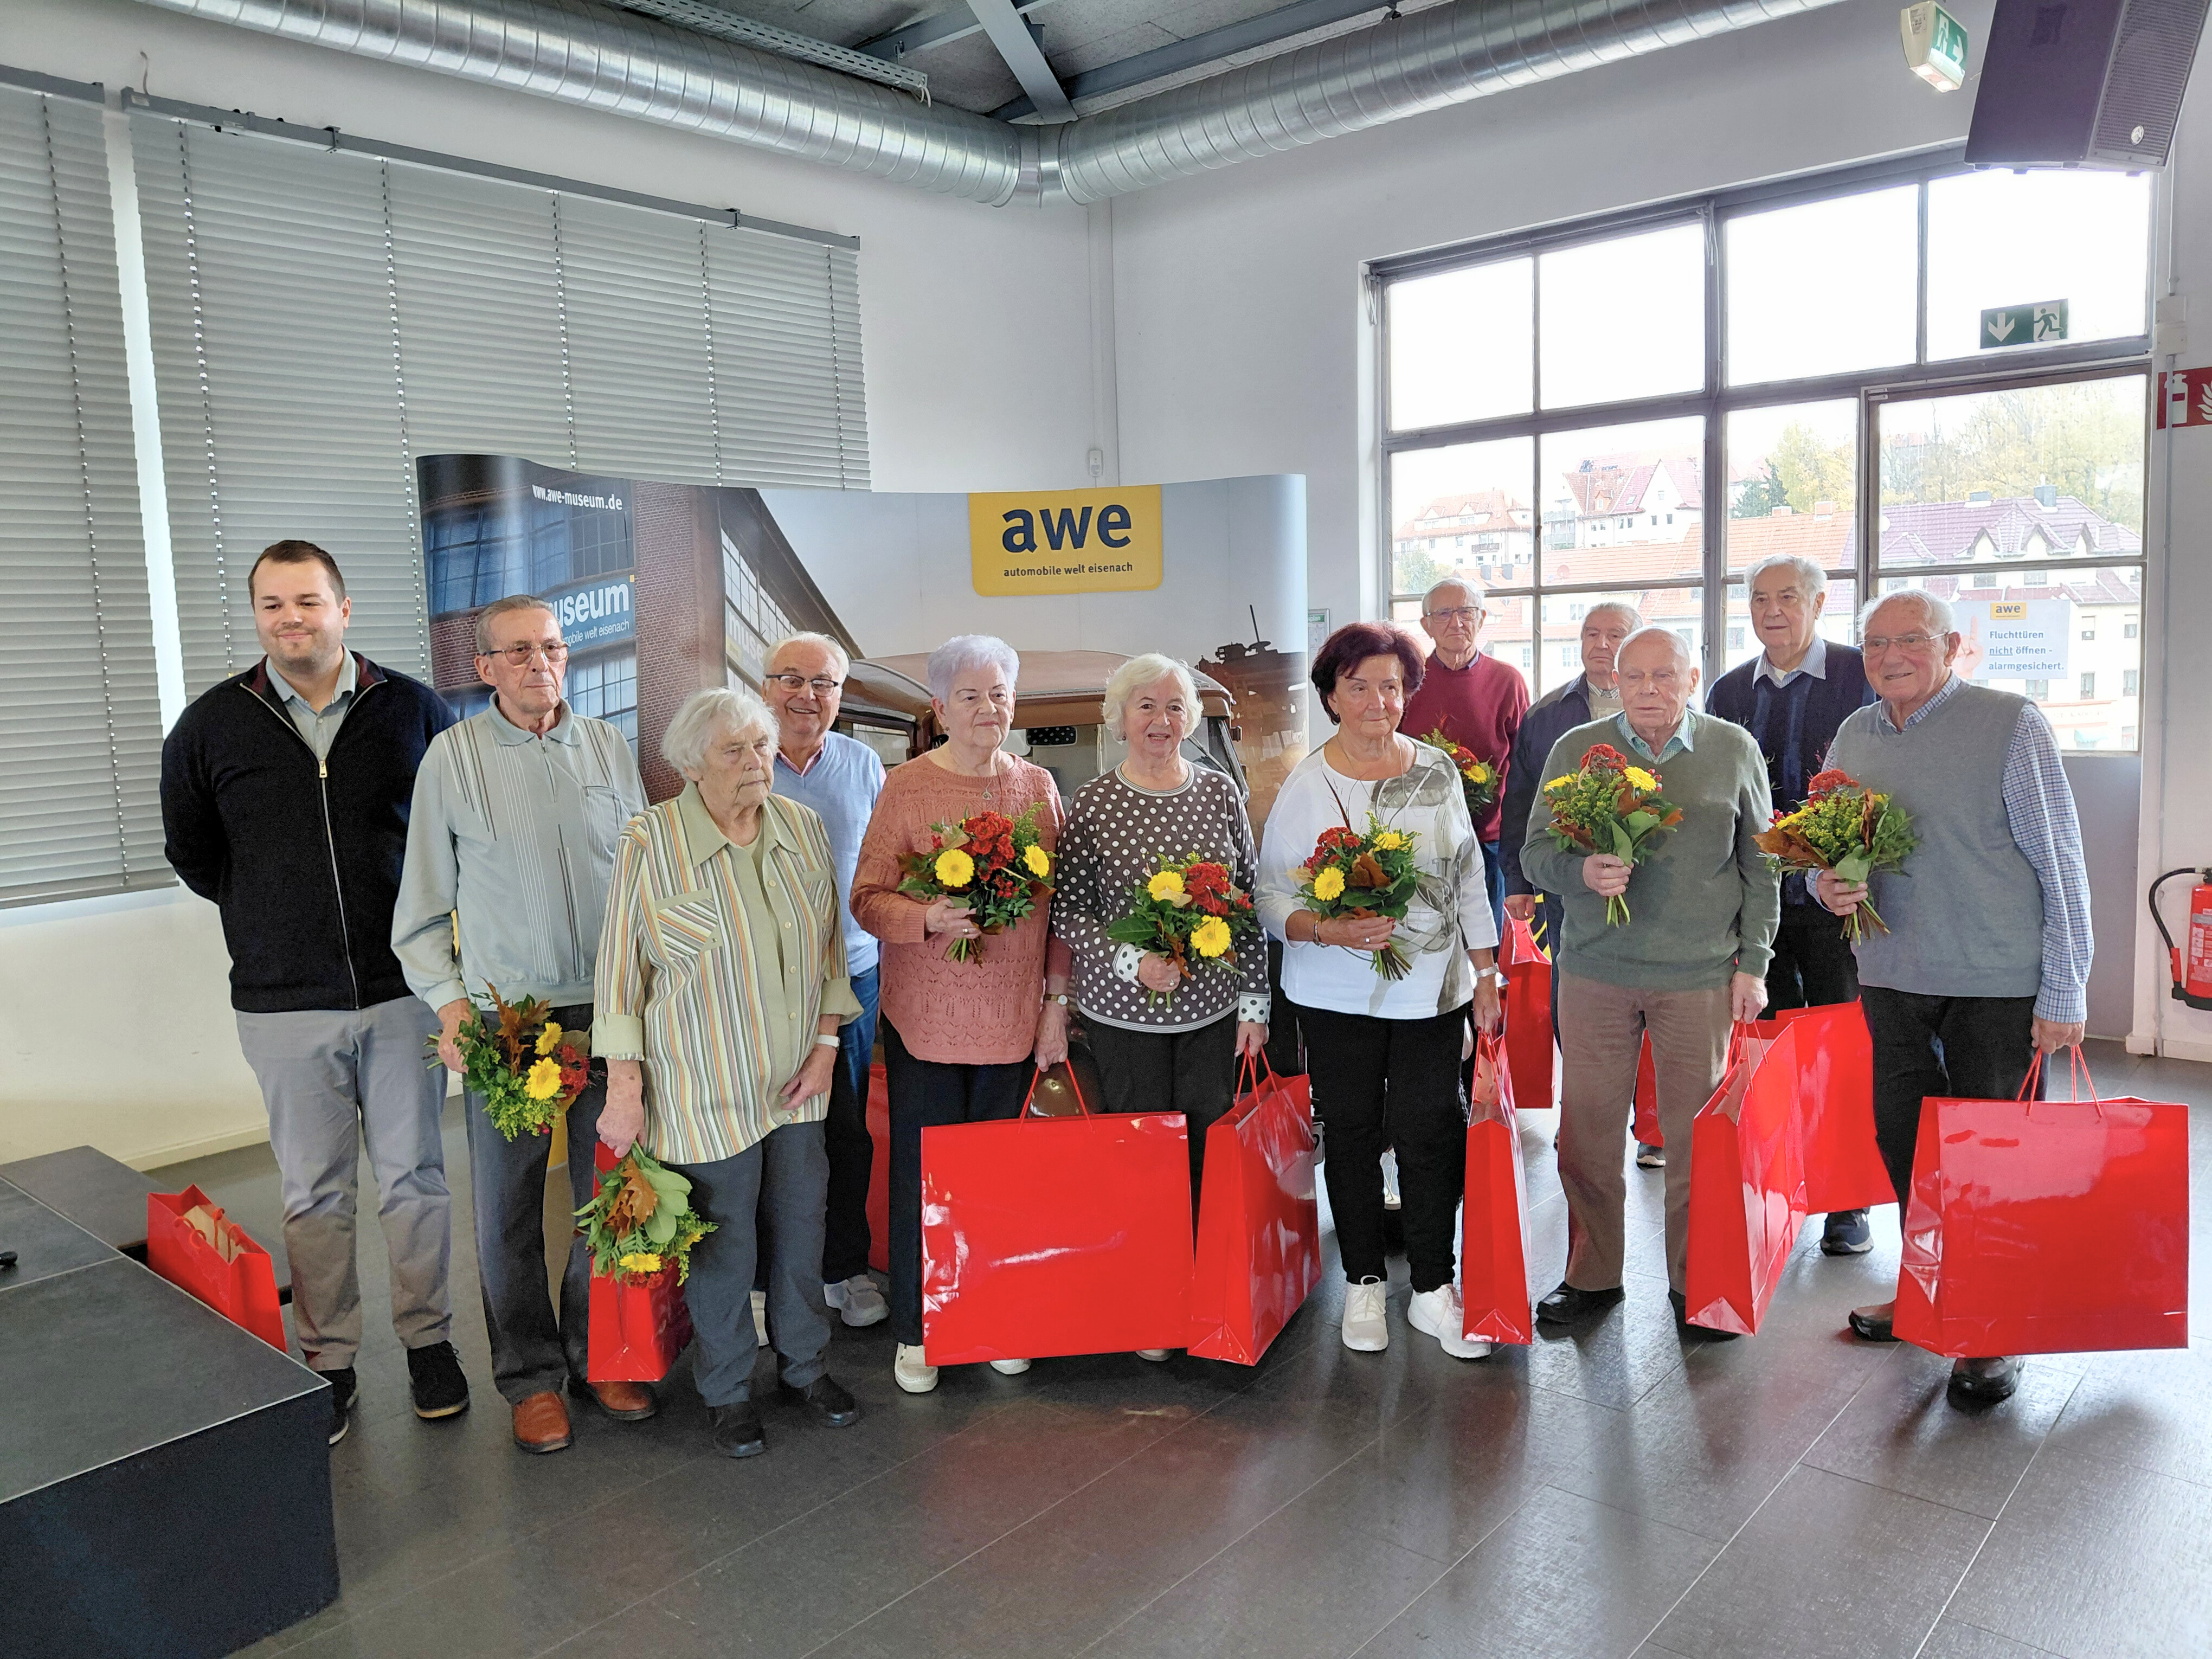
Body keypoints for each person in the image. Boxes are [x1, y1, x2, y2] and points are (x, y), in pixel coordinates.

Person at [160, 539, 465, 1447]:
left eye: (308, 601)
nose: (291, 619)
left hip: (406, 991)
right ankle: (330, 1360)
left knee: (416, 1180)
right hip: (283, 1003)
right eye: (272, 605)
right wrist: (271, 914)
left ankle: (430, 1343)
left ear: (343, 607)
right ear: (257, 616)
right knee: (313, 1194)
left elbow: (456, 834)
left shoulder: (413, 709)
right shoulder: (211, 727)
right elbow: (196, 855)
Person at [1818, 588, 2091, 1408]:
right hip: (1891, 977)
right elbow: (1832, 847)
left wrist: (2066, 985)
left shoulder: (2010, 723)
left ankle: (1992, 1327)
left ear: (1951, 646)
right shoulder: (1854, 734)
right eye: (1874, 644)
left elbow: (2060, 860)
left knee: (1992, 1162)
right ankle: (1929, 1289)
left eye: (1910, 640)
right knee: (1906, 1145)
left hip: (1995, 983)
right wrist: (1826, 883)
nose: (1890, 657)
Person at [393, 593, 649, 1454]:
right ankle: (530, 1378)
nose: (541, 664)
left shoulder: (608, 747)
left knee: (609, 1193)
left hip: (611, 1011)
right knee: (507, 1207)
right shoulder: (452, 759)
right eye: (519, 651)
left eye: (552, 647)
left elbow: (643, 883)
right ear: (485, 668)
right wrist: (453, 1009)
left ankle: (598, 1353)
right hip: (510, 1022)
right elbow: (420, 912)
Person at [593, 687, 862, 1458]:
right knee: (723, 1246)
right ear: (691, 766)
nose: (755, 762)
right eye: (734, 750)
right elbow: (620, 976)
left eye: (762, 745)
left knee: (803, 1229)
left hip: (799, 1084)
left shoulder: (802, 828)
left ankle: (806, 1366)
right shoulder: (650, 840)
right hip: (702, 1086)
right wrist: (625, 1091)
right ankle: (727, 1388)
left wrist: (826, 1046)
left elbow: (829, 952)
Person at [1519, 626, 1778, 1340]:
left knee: (1697, 1144)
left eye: (1665, 676)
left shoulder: (1733, 749)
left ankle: (1696, 1282)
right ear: (1615, 681)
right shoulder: (1579, 750)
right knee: (1586, 1135)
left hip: (1700, 976)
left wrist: (1754, 964)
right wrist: (1581, 872)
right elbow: (1535, 854)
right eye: (1633, 676)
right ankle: (1591, 1275)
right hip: (1595, 972)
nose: (1648, 690)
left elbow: (1762, 867)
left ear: (1692, 679)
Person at [1257, 622, 1503, 1361]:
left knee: (1432, 1129)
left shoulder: (1436, 771)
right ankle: (1363, 1281)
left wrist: (1486, 973)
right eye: (1358, 686)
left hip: (1433, 989)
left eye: (1391, 686)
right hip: (1335, 994)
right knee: (1354, 1133)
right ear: (1332, 696)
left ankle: (1433, 1286)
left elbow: (1467, 878)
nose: (1377, 701)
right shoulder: (1307, 785)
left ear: (1408, 694)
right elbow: (1269, 898)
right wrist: (1325, 930)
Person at [850, 635, 1066, 1396]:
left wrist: (1056, 1006)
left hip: (1013, 1020)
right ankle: (919, 1328)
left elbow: (1061, 911)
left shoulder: (1037, 786)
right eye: (970, 696)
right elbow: (867, 899)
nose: (987, 708)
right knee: (924, 1179)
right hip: (927, 1025)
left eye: (999, 693)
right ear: (940, 709)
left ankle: (995, 1315)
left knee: (1001, 1181)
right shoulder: (906, 787)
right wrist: (929, 917)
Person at [1050, 653, 1269, 1243]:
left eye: (1175, 707)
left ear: (1190, 719)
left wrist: (1254, 1007)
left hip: (1212, 1015)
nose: (1161, 720)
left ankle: (1202, 1270)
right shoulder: (1093, 803)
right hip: (1123, 1019)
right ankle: (1150, 1272)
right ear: (1120, 718)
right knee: (1138, 1151)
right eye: (1146, 706)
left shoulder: (1220, 793)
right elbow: (1069, 911)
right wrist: (1132, 962)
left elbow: (1246, 901)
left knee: (1206, 1148)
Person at [1704, 555, 1879, 1256]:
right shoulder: (1727, 690)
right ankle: (1774, 1181)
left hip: (1834, 900)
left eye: (1787, 597)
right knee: (1766, 1043)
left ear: (1819, 602)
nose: (1771, 611)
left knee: (1838, 1045)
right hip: (1756, 901)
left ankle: (1845, 1201)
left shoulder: (1860, 676)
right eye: (1759, 598)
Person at [1499, 604, 1657, 1160]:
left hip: (1651, 884)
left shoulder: (1663, 707)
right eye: (1592, 633)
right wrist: (1518, 879)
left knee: (1651, 998)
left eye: (1615, 635)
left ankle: (1651, 1123)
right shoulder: (1548, 714)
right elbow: (1520, 802)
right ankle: (1588, 1114)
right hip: (1570, 886)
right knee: (1575, 999)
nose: (1601, 644)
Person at [764, 632, 889, 1329]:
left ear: (841, 695)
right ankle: (762, 1284)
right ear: (765, 687)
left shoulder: (864, 764)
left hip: (855, 976)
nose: (807, 696)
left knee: (846, 1128)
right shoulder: (741, 757)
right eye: (792, 679)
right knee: (765, 1128)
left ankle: (845, 1268)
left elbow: (888, 868)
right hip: (762, 983)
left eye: (824, 683)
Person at [1400, 577, 1530, 938]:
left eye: (1466, 612)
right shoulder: (1407, 684)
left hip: (1490, 838)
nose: (1456, 623)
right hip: (1421, 837)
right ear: (1426, 624)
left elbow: (1525, 765)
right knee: (1426, 938)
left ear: (1482, 618)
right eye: (1443, 614)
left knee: (1486, 938)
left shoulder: (1508, 681)